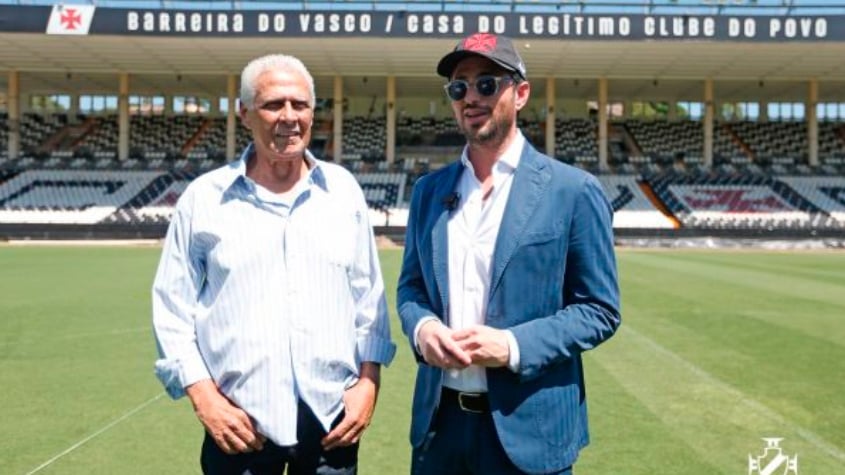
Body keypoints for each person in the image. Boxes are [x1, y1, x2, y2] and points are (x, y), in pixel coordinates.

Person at [152, 53, 396, 475]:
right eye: (273, 105)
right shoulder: (204, 198)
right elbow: (172, 311)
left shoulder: (343, 192)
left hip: (330, 420)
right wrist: (204, 398)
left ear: (313, 113)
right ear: (244, 113)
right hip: (239, 422)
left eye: (300, 105)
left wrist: (368, 383)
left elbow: (368, 297)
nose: (289, 117)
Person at [397, 33, 621, 475]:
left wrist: (511, 345)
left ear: (520, 94)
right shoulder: (428, 192)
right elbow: (411, 288)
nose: (471, 97)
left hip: (530, 433)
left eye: (486, 84)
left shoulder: (573, 190)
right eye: (459, 87)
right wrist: (423, 328)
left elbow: (599, 310)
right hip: (439, 430)